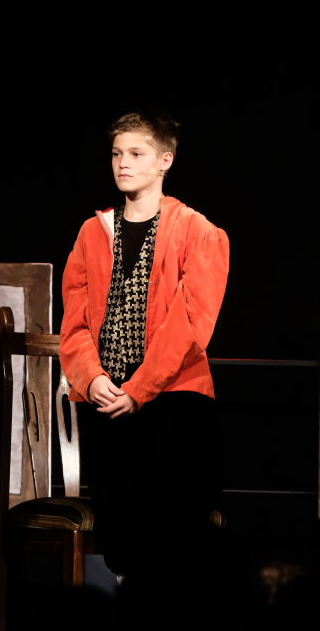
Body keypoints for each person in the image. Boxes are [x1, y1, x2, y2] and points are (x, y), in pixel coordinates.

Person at [59, 110, 230, 581]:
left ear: (164, 161)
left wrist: (140, 389)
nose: (123, 163)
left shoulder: (198, 231)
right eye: (117, 154)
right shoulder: (93, 232)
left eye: (136, 154)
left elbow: (190, 323)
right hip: (107, 402)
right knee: (123, 537)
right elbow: (74, 321)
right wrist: (91, 378)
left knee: (173, 536)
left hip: (173, 403)